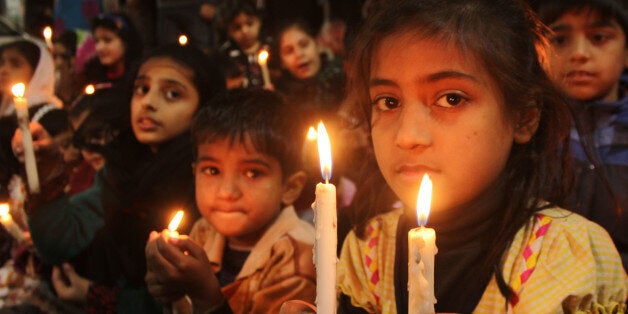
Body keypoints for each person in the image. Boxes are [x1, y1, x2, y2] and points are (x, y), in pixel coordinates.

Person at [335, 0, 628, 313]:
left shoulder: (568, 256)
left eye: (451, 99)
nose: (406, 136)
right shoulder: (368, 249)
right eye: (389, 102)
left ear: (524, 118)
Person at [11, 44, 225, 313]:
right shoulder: (121, 170)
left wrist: (100, 297)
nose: (148, 102)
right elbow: (61, 241)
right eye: (141, 89)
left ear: (202, 108)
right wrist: (43, 168)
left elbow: (195, 297)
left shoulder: (207, 183)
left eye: (172, 94)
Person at [145, 88, 316, 313]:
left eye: (252, 173)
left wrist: (206, 296)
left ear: (290, 188)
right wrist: (169, 290)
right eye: (212, 170)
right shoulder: (204, 232)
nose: (226, 192)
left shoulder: (301, 257)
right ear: (194, 172)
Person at [535, 0, 628, 271]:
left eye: (599, 38)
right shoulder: (526, 126)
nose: (578, 53)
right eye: (560, 40)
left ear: (625, 52)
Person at [79, 12, 143, 89]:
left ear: (126, 42)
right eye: (97, 41)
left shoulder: (141, 76)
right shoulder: (91, 77)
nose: (99, 48)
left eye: (107, 40)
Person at [218, 1, 271, 89]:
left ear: (259, 21)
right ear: (228, 31)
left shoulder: (271, 47)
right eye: (237, 27)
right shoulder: (225, 56)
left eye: (250, 23)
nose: (245, 31)